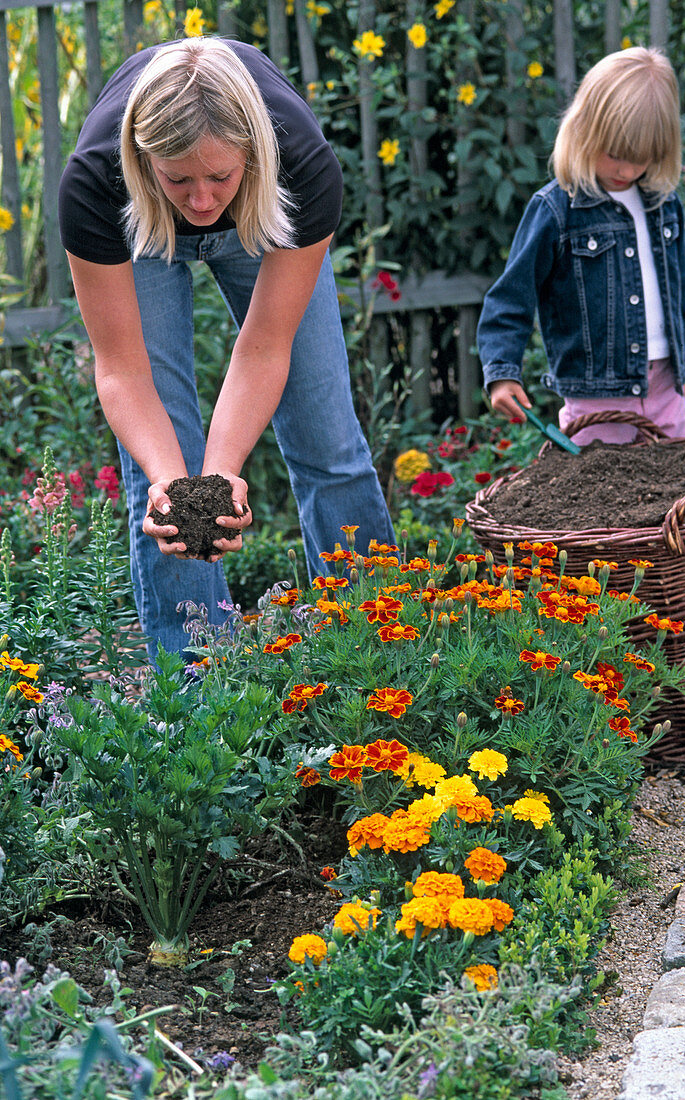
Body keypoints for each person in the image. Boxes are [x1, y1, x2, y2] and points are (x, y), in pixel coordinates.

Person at [58, 36, 395, 659]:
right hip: (141, 225)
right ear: (143, 157)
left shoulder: (302, 165)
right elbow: (122, 371)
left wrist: (222, 474)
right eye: (179, 177)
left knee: (328, 440)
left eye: (219, 175)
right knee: (164, 474)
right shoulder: (96, 182)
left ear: (253, 154)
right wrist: (177, 481)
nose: (203, 200)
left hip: (265, 215)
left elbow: (266, 347)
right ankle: (196, 688)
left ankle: (372, 650)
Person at [477, 47, 685, 447]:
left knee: (676, 496)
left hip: (666, 386)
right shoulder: (556, 210)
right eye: (616, 155)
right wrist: (502, 372)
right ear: (585, 130)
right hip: (596, 396)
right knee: (602, 501)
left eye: (642, 158)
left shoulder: (665, 205)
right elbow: (510, 297)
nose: (627, 171)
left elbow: (683, 294)